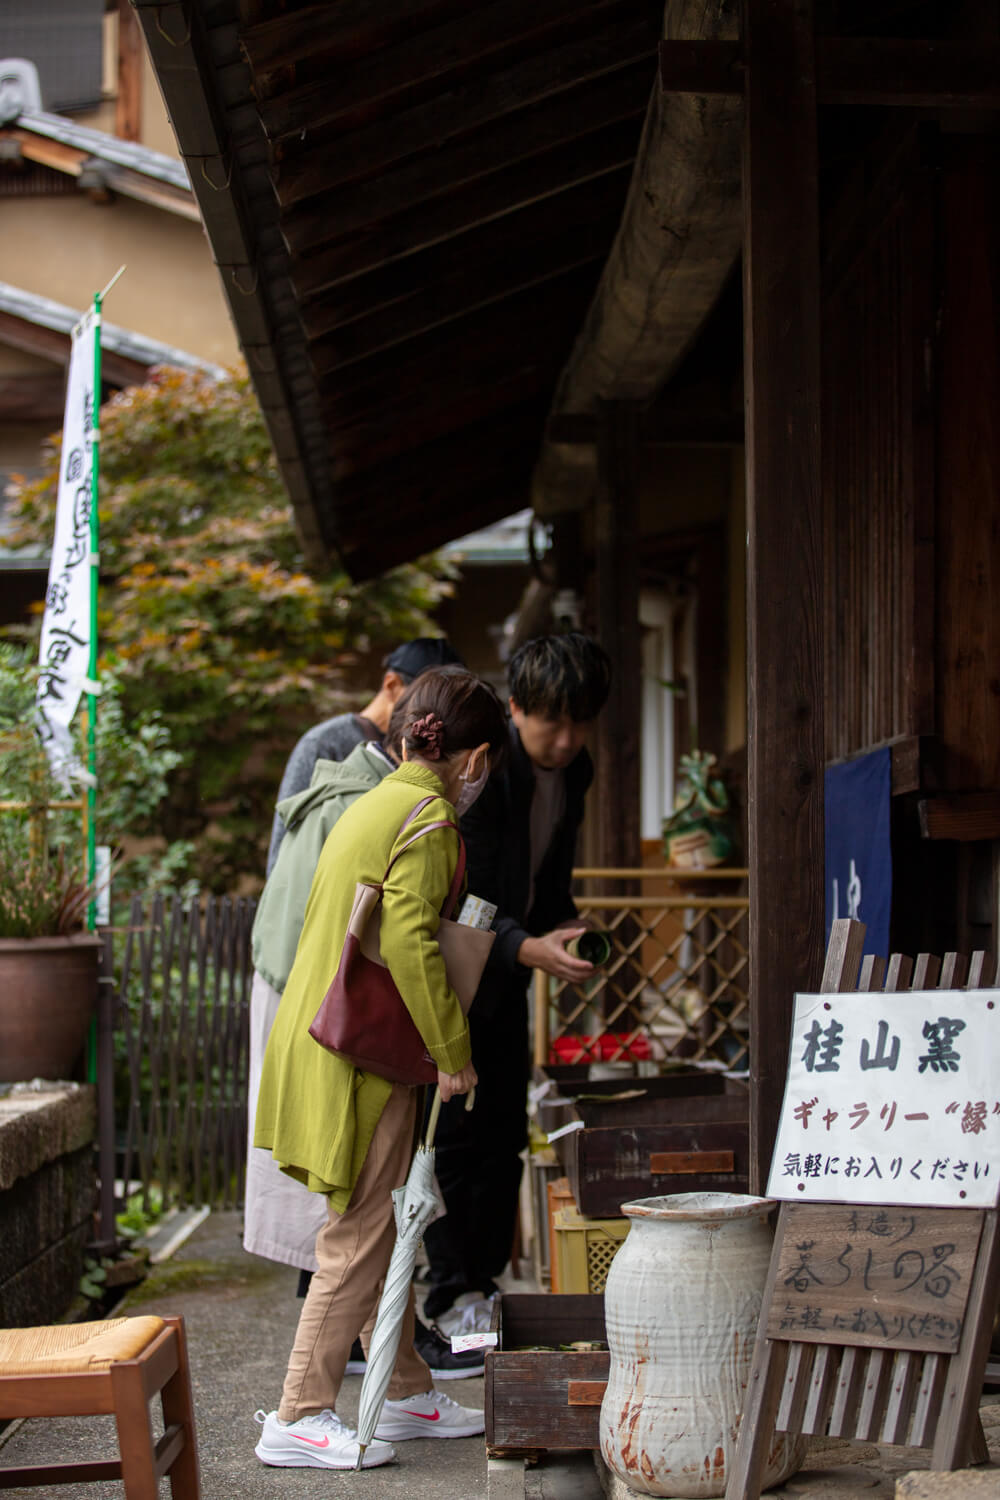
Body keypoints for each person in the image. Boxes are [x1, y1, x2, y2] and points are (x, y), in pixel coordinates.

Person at [252, 668, 507, 1471]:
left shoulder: (376, 799)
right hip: (359, 1061)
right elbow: (407, 939)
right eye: (486, 765)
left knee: (384, 1225)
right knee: (360, 1234)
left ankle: (399, 1392)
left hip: (324, 1043)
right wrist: (454, 1056)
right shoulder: (429, 820)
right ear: (475, 760)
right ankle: (298, 1413)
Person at [422, 633, 612, 1336]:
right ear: (514, 709)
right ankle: (450, 1292)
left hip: (509, 970)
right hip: (455, 975)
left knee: (504, 1130)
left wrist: (563, 924)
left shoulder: (577, 770)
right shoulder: (486, 769)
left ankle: (484, 1282)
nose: (565, 740)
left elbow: (546, 876)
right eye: (550, 721)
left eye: (580, 721)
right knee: (455, 1139)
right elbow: (461, 892)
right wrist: (526, 945)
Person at [266, 637, 464, 873]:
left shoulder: (423, 749)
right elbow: (283, 850)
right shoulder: (324, 744)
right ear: (391, 685)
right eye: (425, 697)